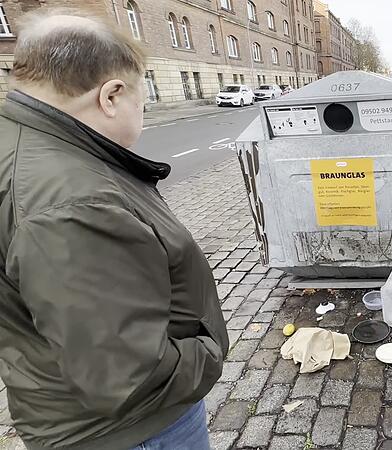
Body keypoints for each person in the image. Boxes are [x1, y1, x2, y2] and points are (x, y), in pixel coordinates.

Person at [0, 9, 228, 450]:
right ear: (111, 96)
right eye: (142, 100)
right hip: (136, 430)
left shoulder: (25, 144)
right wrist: (210, 351)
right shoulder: (72, 202)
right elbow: (126, 375)